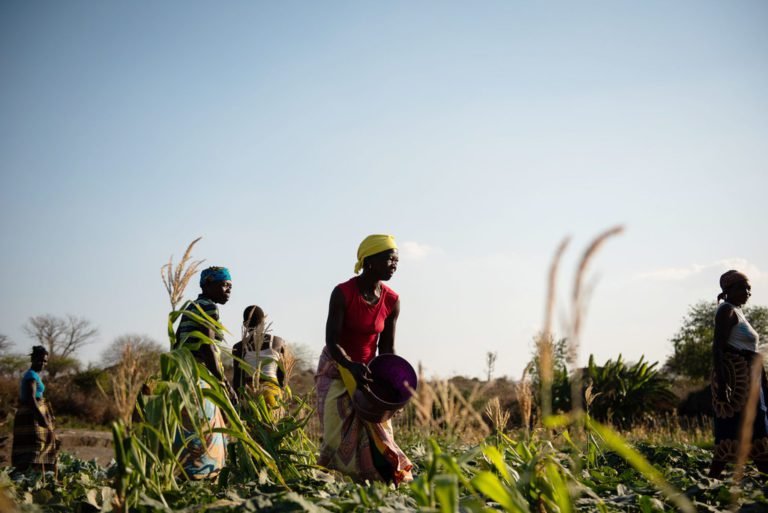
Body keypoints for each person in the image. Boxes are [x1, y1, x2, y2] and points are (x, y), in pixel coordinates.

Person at [315, 234, 413, 484]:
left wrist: (389, 384)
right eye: (390, 259)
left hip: (369, 372)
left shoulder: (391, 300)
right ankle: (335, 487)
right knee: (337, 434)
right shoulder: (343, 293)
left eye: (397, 260)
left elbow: (387, 348)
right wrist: (350, 365)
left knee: (379, 433)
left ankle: (380, 484)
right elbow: (332, 340)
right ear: (369, 261)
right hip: (337, 367)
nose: (395, 264)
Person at [173, 266, 235, 480]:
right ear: (208, 284)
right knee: (204, 429)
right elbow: (207, 346)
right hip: (199, 376)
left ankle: (180, 472)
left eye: (230, 286)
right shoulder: (208, 307)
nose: (228, 290)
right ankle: (201, 476)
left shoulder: (190, 306)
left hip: (183, 374)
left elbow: (176, 342)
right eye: (224, 285)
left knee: (186, 428)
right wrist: (223, 382)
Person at [709, 270, 768, 477]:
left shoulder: (737, 311)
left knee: (757, 426)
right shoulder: (726, 311)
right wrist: (724, 383)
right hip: (736, 381)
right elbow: (718, 348)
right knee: (736, 428)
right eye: (743, 288)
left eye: (750, 288)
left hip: (750, 379)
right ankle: (710, 482)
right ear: (728, 290)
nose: (748, 292)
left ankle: (712, 481)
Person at [11, 346, 59, 474]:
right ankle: (28, 475)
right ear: (33, 359)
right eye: (40, 360)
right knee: (36, 446)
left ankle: (35, 475)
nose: (42, 363)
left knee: (39, 445)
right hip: (31, 415)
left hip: (32, 413)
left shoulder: (34, 375)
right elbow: (31, 399)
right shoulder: (31, 376)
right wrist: (42, 419)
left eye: (45, 361)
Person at [232, 305, 287, 409]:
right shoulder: (278, 342)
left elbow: (237, 379)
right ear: (263, 322)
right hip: (272, 394)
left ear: (245, 325)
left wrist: (238, 401)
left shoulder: (239, 347)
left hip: (250, 395)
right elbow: (282, 375)